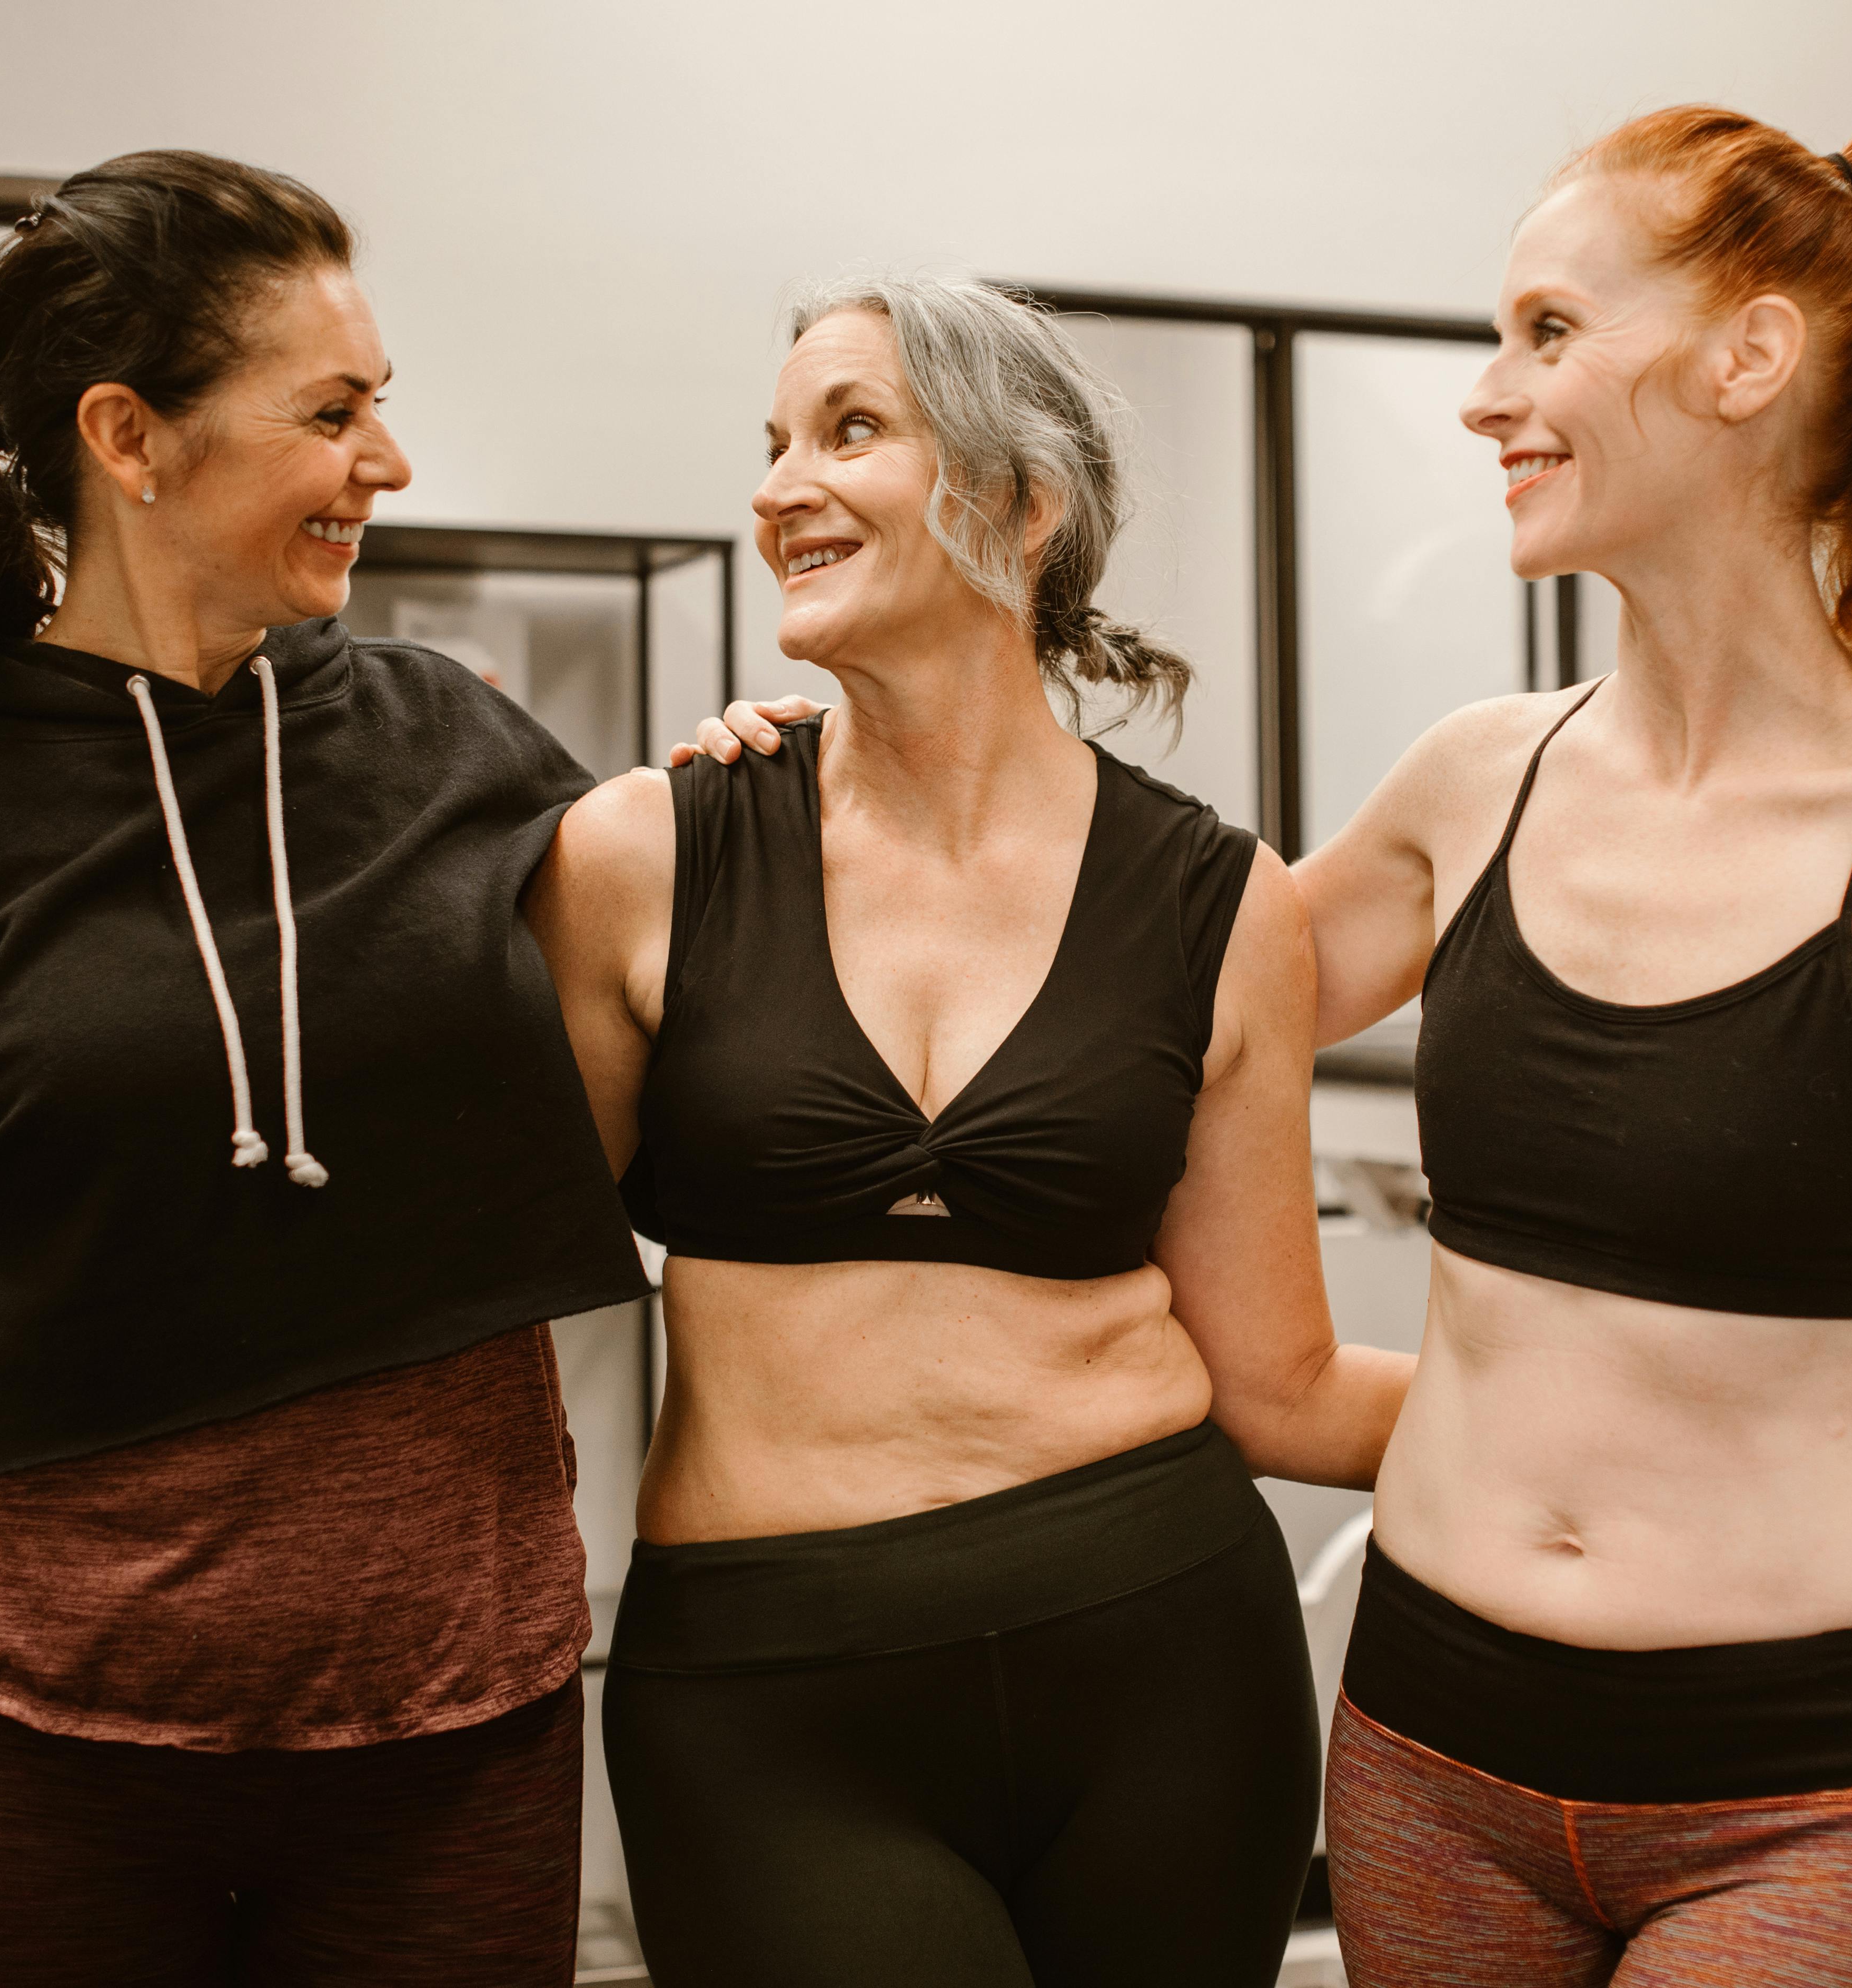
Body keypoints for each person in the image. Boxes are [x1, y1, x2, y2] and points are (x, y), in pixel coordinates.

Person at [693, 96, 1852, 1988]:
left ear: (1747, 360)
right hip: (1435, 1754)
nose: (1485, 394)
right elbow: (1116, 975)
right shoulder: (1478, 781)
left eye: (1546, 331)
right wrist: (840, 798)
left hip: (1812, 1786)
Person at [0, 151, 649, 1988]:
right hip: (31, 1740)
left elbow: (681, 1009)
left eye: (385, 406)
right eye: (335, 411)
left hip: (457, 1732)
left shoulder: (451, 737)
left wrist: (776, 800)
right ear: (131, 437)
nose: (387, 460)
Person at [528, 273, 1411, 1988]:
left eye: (850, 429)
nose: (782, 483)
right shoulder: (643, 855)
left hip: (1163, 1652)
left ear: (1023, 498)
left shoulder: (1223, 902)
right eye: (772, 442)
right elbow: (483, 1280)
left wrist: (1665, 1437)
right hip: (772, 1694)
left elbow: (1282, 1380)